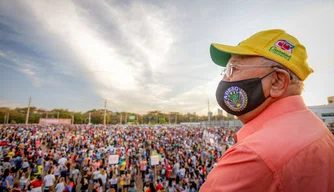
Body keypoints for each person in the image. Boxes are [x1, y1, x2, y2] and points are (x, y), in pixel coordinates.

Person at [200, 29, 334, 191]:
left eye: (233, 69)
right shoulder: (319, 130)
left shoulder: (250, 157)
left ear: (277, 81)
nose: (225, 79)